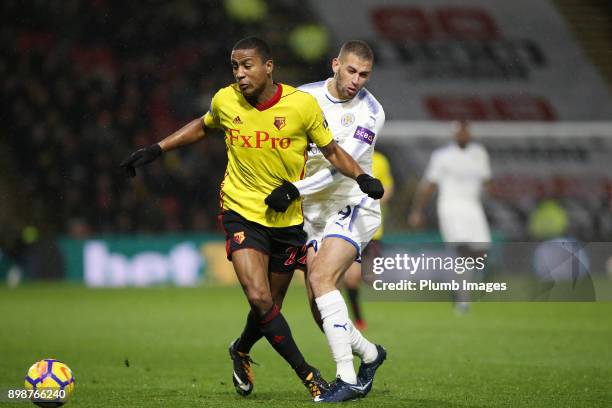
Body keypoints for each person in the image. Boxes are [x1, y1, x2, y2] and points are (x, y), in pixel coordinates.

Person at [119, 37, 384, 399]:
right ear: (335, 65)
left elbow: (337, 155)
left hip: (313, 211)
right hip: (250, 211)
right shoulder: (233, 99)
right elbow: (204, 124)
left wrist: (356, 178)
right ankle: (321, 377)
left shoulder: (334, 109)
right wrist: (156, 149)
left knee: (302, 302)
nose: (240, 74)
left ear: (268, 67)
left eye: (363, 74)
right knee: (266, 298)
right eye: (235, 67)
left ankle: (256, 349)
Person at [265, 40, 387, 402]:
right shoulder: (304, 97)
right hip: (311, 212)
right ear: (336, 64)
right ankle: (369, 354)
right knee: (320, 308)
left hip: (353, 203)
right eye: (351, 70)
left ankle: (347, 379)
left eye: (364, 74)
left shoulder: (370, 113)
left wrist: (293, 189)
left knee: (321, 278)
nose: (356, 80)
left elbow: (342, 166)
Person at [408, 120, 492, 311]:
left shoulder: (479, 153)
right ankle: (462, 299)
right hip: (451, 206)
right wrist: (417, 211)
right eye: (460, 132)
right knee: (462, 250)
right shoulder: (442, 156)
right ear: (454, 135)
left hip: (473, 207)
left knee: (480, 251)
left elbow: (487, 181)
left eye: (466, 132)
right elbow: (429, 184)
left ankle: (460, 288)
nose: (464, 135)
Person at [345, 150, 394, 331]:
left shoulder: (381, 160)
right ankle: (357, 320)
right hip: (349, 228)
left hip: (372, 231)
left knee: (370, 277)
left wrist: (374, 200)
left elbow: (388, 187)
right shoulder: (348, 156)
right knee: (351, 279)